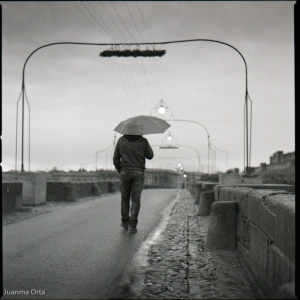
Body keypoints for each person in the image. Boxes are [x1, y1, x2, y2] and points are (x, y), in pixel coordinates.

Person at [113, 134, 154, 234]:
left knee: (125, 199)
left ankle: (125, 222)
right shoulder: (143, 141)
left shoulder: (121, 140)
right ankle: (133, 226)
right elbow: (150, 156)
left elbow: (115, 158)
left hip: (125, 171)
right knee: (136, 199)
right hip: (138, 172)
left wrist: (120, 170)